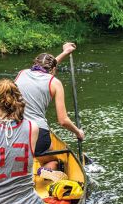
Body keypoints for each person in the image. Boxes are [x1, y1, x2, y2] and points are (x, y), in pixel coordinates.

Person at [15, 42, 84, 170]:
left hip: (14, 131)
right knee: (54, 163)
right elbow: (63, 121)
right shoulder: (54, 83)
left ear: (35, 65)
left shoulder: (22, 73)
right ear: (52, 69)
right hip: (39, 133)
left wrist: (64, 53)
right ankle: (45, 170)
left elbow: (48, 68)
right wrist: (78, 132)